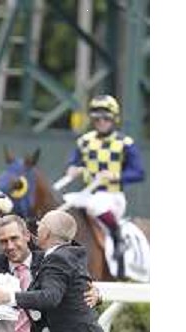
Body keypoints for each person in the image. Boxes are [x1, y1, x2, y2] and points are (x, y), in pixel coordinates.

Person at [63, 94, 145, 278]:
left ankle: (117, 237)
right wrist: (72, 169)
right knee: (65, 202)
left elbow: (139, 173)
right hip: (89, 193)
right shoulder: (84, 141)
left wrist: (116, 176)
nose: (101, 121)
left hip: (113, 196)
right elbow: (74, 161)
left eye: (105, 117)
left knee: (96, 204)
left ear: (114, 118)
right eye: (96, 118)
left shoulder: (125, 143)